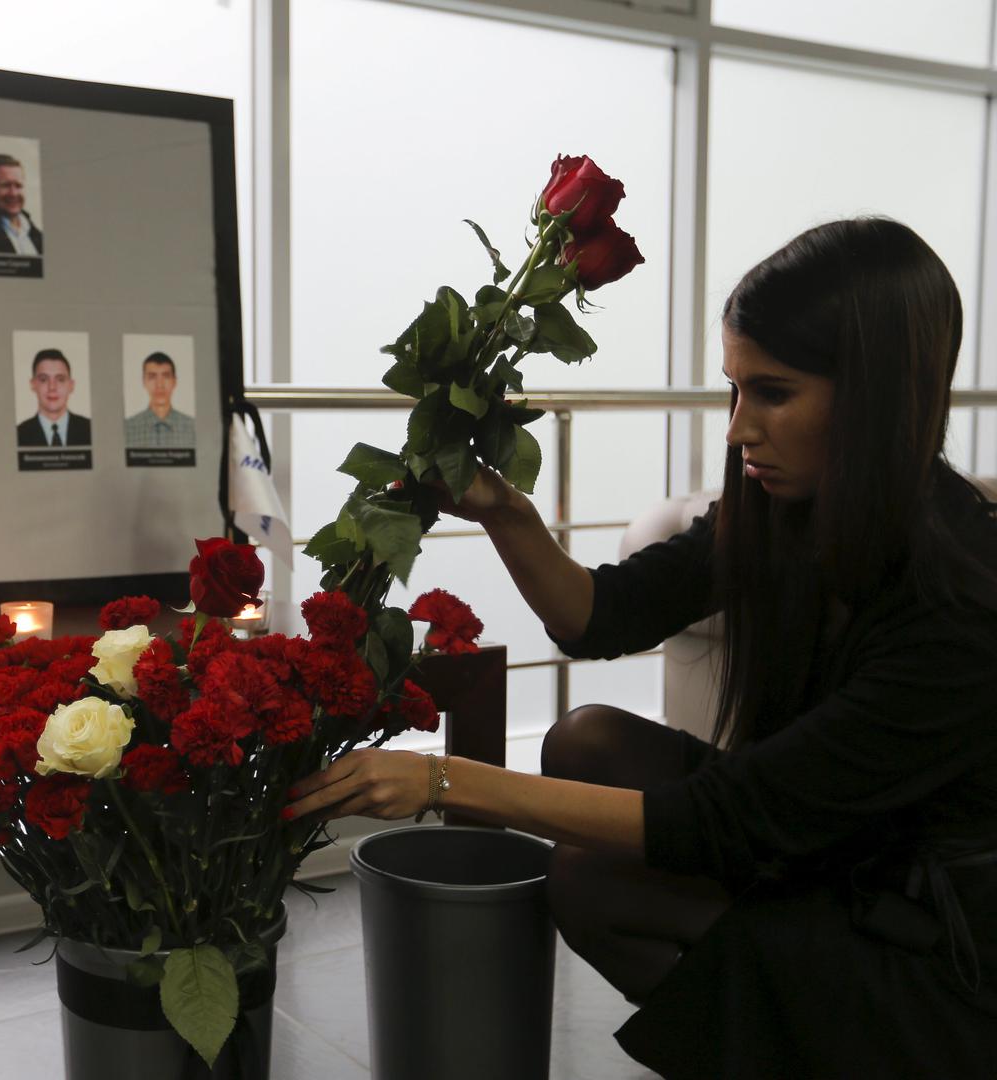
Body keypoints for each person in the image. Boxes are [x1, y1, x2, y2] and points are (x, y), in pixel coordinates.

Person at [286, 218, 997, 1076]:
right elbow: (605, 618)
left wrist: (443, 780)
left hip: (934, 944)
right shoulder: (787, 514)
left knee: (590, 880)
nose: (738, 429)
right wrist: (504, 512)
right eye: (734, 389)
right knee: (585, 739)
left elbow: (727, 820)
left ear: (879, 396)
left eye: (773, 394)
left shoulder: (964, 600)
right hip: (835, 846)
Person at [16, 348, 89, 447]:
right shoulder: (18, 435)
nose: (52, 387)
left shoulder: (91, 430)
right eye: (43, 379)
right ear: (33, 384)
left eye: (60, 379)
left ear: (71, 385)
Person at [124, 351, 195, 448]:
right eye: (152, 377)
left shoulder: (193, 428)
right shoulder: (127, 429)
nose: (159, 385)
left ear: (174, 381)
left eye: (166, 376)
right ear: (144, 381)